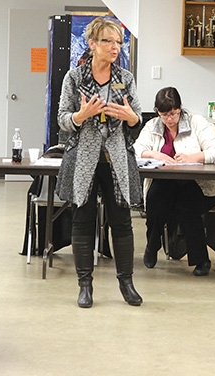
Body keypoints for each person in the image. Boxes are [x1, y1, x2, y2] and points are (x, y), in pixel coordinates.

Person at [56, 17, 143, 308]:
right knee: (83, 221)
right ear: (92, 44)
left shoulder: (126, 78)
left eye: (119, 42)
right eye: (109, 41)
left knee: (122, 222)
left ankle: (126, 283)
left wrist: (130, 118)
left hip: (116, 159)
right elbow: (63, 119)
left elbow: (137, 119)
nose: (115, 47)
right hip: (83, 159)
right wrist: (81, 116)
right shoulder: (75, 77)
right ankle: (85, 285)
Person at [133, 87, 215, 276]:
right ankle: (152, 245)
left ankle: (201, 260)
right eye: (164, 114)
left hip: (198, 185)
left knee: (186, 205)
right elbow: (135, 150)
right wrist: (154, 154)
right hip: (165, 184)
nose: (170, 119)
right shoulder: (152, 126)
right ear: (157, 111)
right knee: (156, 199)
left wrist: (194, 157)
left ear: (180, 108)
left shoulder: (197, 122)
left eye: (174, 113)